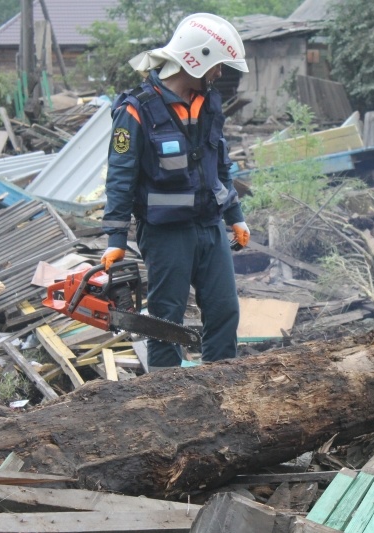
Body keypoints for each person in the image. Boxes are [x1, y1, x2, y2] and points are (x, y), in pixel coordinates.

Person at [101, 13, 250, 371]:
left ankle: (221, 392)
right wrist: (115, 238)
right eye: (216, 66)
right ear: (196, 58)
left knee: (225, 312)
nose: (218, 74)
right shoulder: (136, 110)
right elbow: (120, 176)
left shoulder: (209, 102)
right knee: (166, 324)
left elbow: (220, 165)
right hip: (167, 233)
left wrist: (235, 216)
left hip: (210, 228)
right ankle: (166, 402)